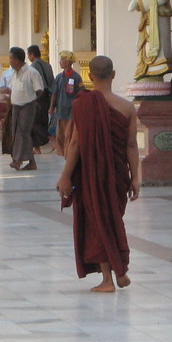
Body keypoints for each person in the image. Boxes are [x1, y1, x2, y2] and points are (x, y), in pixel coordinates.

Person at [56, 55, 140, 293]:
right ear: (113, 75)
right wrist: (135, 177)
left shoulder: (82, 104)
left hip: (91, 174)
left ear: (90, 77)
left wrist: (65, 175)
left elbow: (75, 144)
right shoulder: (127, 107)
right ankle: (120, 271)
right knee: (112, 219)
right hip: (117, 174)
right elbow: (131, 145)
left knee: (97, 222)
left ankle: (108, 279)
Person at [0, 47, 44, 170]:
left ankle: (19, 160)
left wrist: (30, 98)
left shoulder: (31, 72)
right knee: (16, 132)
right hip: (15, 106)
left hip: (27, 106)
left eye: (11, 59)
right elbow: (13, 88)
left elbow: (39, 90)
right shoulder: (13, 73)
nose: (10, 62)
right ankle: (29, 161)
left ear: (18, 60)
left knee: (23, 132)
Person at [49, 51, 83, 156]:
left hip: (71, 111)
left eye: (62, 60)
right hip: (60, 110)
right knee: (59, 135)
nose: (60, 62)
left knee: (69, 134)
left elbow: (81, 92)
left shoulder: (76, 77)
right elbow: (54, 93)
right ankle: (61, 153)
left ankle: (69, 154)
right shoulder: (59, 77)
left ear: (68, 62)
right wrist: (51, 107)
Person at [28, 44, 54, 152]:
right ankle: (37, 148)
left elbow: (33, 84)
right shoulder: (48, 65)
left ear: (32, 55)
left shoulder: (33, 67)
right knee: (43, 120)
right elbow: (52, 81)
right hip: (48, 95)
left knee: (34, 121)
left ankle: (51, 139)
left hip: (38, 96)